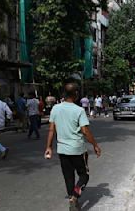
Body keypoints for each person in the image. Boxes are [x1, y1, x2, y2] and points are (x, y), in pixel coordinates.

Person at [44, 83, 101, 211]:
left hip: (62, 149)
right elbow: (85, 131)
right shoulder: (79, 110)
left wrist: (49, 147)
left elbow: (51, 130)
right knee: (84, 175)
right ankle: (74, 197)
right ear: (76, 94)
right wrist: (95, 145)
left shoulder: (55, 109)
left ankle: (72, 198)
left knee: (68, 176)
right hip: (77, 149)